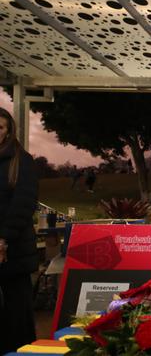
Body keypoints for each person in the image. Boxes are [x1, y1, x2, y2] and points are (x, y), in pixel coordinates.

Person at [0, 107, 38, 354]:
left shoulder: (21, 160)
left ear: (8, 131)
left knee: (15, 313)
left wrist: (3, 239)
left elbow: (23, 204)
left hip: (13, 251)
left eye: (0, 127)